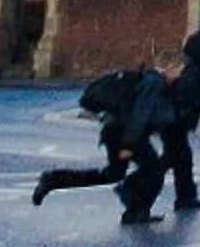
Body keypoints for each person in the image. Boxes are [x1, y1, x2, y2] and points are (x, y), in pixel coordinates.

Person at [32, 60, 178, 223]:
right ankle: (135, 207)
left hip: (116, 131)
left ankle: (52, 180)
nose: (179, 76)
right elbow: (140, 114)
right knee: (154, 170)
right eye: (178, 71)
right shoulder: (154, 83)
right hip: (125, 134)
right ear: (169, 68)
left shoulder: (148, 80)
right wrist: (129, 144)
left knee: (113, 174)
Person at [156, 29, 200, 213]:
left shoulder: (193, 68)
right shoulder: (193, 71)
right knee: (174, 160)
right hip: (174, 124)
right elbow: (184, 98)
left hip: (174, 124)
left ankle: (185, 198)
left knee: (180, 161)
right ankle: (140, 191)